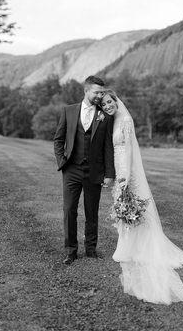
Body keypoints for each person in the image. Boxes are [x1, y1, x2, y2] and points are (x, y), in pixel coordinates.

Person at [101, 90, 183, 305]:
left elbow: (130, 149)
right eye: (104, 104)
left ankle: (135, 246)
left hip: (127, 168)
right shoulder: (113, 121)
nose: (107, 106)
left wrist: (126, 174)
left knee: (130, 206)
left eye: (109, 102)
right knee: (124, 207)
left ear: (116, 101)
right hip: (118, 166)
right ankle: (126, 245)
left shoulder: (124, 120)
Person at [54, 76, 115, 265]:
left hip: (94, 171)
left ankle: (90, 249)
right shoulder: (69, 111)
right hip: (71, 169)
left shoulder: (104, 115)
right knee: (69, 210)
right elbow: (58, 139)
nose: (99, 96)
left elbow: (107, 147)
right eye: (96, 92)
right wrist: (62, 161)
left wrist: (109, 174)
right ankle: (71, 250)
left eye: (102, 93)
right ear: (86, 91)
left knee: (92, 212)